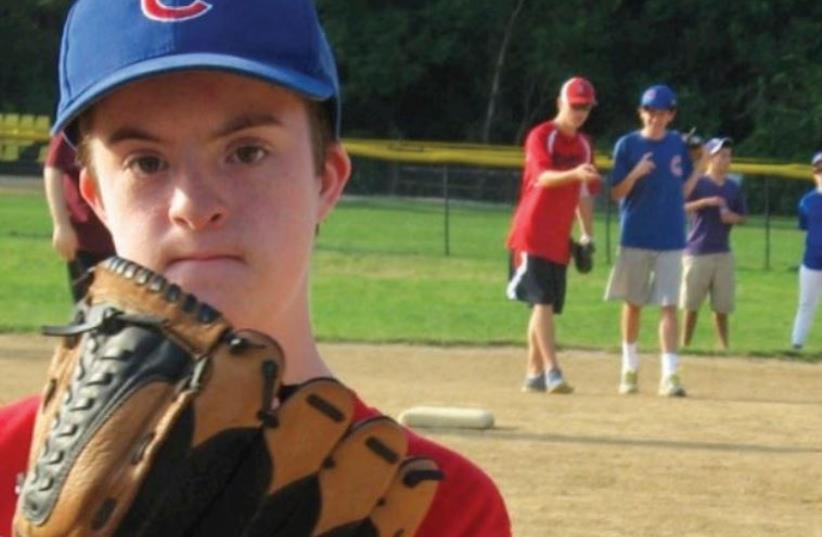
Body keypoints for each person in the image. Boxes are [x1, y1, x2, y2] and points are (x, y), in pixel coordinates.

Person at [0, 1, 511, 535]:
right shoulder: (7, 461)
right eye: (146, 162)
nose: (194, 206)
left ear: (326, 178)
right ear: (96, 198)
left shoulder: (440, 507)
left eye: (247, 152)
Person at [604, 84, 707, 397]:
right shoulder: (628, 145)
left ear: (672, 115)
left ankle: (670, 374)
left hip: (672, 237)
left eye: (663, 112)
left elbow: (683, 192)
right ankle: (629, 367)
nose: (656, 117)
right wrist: (634, 173)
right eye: (650, 111)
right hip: (635, 235)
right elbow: (615, 193)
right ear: (641, 112)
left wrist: (701, 168)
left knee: (668, 305)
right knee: (633, 304)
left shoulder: (677, 145)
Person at [506, 76, 601, 394]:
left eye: (586, 107)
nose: (581, 112)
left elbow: (585, 195)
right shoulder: (541, 136)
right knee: (542, 302)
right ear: (560, 103)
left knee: (542, 305)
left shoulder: (585, 145)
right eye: (575, 106)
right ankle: (553, 371)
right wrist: (574, 173)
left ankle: (533, 374)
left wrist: (587, 236)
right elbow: (543, 178)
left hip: (560, 237)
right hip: (532, 232)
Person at [680, 137, 747, 350]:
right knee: (691, 306)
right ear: (709, 157)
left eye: (728, 155)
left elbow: (743, 217)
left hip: (722, 252)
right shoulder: (698, 182)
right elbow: (679, 206)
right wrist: (705, 202)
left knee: (722, 307)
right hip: (697, 251)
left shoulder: (732, 187)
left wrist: (732, 218)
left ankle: (724, 347)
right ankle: (685, 346)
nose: (725, 159)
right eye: (720, 155)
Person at [42, 133, 115, 302]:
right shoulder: (71, 129)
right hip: (85, 235)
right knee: (87, 304)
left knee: (125, 305)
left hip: (121, 233)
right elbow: (52, 169)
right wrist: (61, 225)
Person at [790, 151, 822, 350]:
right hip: (811, 261)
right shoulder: (806, 201)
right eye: (819, 169)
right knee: (806, 304)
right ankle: (797, 344)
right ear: (813, 172)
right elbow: (804, 227)